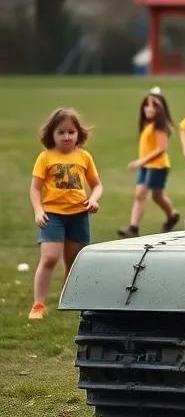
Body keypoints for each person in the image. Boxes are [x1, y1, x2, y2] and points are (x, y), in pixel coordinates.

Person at [28, 108, 103, 321]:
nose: (66, 136)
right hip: (52, 216)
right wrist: (38, 210)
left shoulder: (84, 157)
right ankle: (38, 304)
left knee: (73, 261)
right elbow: (35, 188)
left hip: (79, 215)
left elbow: (97, 186)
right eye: (61, 132)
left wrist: (94, 199)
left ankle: (68, 300)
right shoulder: (45, 158)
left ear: (78, 133)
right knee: (49, 258)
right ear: (52, 134)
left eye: (71, 132)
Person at [118, 90, 181, 237]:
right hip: (147, 166)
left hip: (158, 166)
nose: (148, 108)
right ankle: (134, 228)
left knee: (155, 196)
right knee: (142, 195)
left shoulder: (160, 126)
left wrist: (141, 161)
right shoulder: (148, 124)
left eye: (153, 106)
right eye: (146, 105)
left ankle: (170, 215)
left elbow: (161, 148)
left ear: (161, 109)